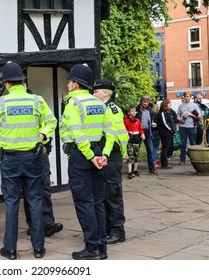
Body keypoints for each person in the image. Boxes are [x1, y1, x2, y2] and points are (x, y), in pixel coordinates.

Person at [0, 61, 57, 260]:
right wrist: (42, 136)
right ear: (23, 82)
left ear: (7, 84)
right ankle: (38, 248)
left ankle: (10, 250)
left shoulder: (0, 103)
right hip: (33, 158)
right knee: (35, 201)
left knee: (11, 203)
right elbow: (51, 121)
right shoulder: (37, 101)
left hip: (10, 160)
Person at [59, 64, 114, 260]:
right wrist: (103, 155)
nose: (67, 85)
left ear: (76, 84)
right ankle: (102, 248)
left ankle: (91, 248)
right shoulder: (100, 103)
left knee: (84, 202)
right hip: (99, 152)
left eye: (69, 81)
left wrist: (90, 157)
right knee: (98, 202)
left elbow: (78, 134)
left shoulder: (72, 104)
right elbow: (110, 132)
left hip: (82, 156)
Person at [23, 87, 63, 238]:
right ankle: (42, 225)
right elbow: (50, 122)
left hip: (32, 153)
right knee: (40, 188)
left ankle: (38, 225)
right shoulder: (36, 101)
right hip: (37, 153)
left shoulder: (35, 101)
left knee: (32, 189)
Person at [93, 79, 129, 245]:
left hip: (112, 154)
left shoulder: (111, 109)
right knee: (105, 192)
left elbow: (113, 134)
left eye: (96, 92)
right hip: (110, 153)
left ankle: (117, 230)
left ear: (105, 93)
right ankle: (108, 228)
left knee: (113, 193)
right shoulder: (104, 107)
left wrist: (117, 152)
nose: (94, 95)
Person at [177, 91, 201, 165]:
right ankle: (182, 159)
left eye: (188, 96)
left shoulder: (194, 105)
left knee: (192, 143)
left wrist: (191, 115)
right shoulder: (181, 106)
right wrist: (179, 119)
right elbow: (178, 115)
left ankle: (194, 159)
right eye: (185, 96)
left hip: (191, 126)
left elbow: (199, 116)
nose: (186, 98)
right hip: (183, 126)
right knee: (183, 143)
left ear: (191, 97)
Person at [136, 96, 159, 175]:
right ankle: (133, 169)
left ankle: (152, 168)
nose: (146, 103)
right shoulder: (137, 109)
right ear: (141, 102)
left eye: (147, 102)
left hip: (147, 132)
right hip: (138, 132)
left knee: (150, 150)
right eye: (144, 102)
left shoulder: (149, 109)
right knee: (136, 150)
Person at [124, 106, 145, 179]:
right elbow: (124, 129)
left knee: (136, 155)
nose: (134, 112)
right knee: (130, 155)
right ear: (129, 113)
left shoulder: (138, 120)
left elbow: (140, 128)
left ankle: (135, 169)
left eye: (135, 111)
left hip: (137, 140)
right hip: (130, 140)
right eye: (132, 111)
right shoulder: (126, 121)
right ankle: (130, 171)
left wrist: (142, 134)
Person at [157, 99, 175, 169]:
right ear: (165, 105)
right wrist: (171, 129)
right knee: (165, 148)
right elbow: (164, 123)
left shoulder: (168, 112)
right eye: (169, 105)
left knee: (166, 148)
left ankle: (164, 162)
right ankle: (164, 163)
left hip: (168, 132)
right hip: (165, 132)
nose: (170, 106)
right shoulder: (162, 113)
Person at [151, 103, 161, 167]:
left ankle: (155, 160)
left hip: (152, 131)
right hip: (157, 131)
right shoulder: (157, 116)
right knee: (155, 147)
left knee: (154, 147)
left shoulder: (151, 115)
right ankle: (154, 161)